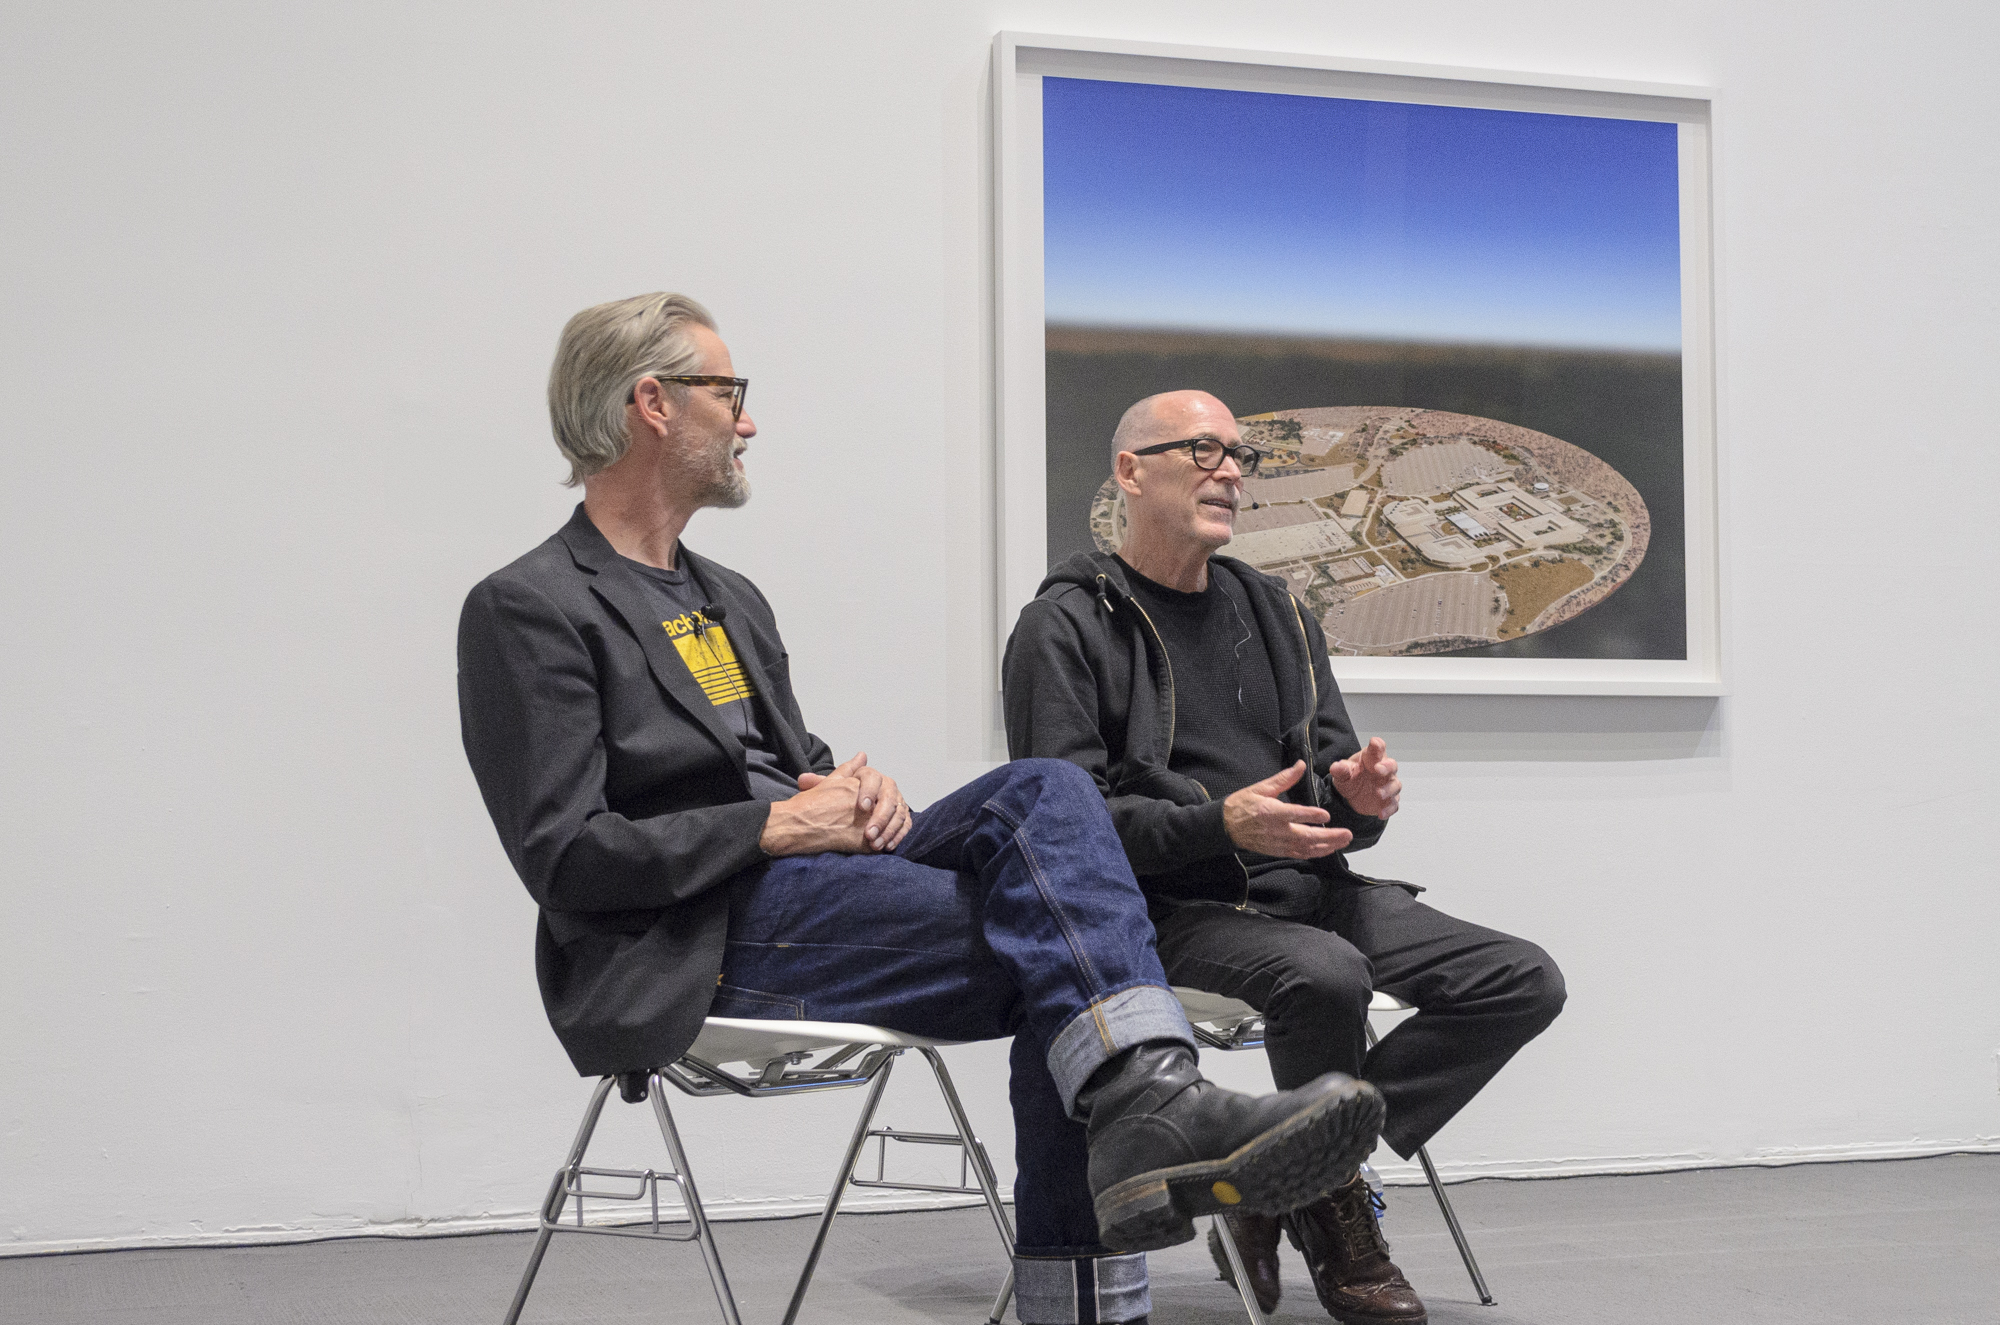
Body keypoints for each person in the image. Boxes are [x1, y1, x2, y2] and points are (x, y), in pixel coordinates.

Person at [457, 296, 1388, 1325]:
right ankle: (1134, 1164)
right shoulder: (532, 604)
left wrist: (845, 791)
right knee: (1066, 952)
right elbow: (565, 858)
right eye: (729, 395)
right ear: (651, 404)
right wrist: (773, 825)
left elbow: (786, 761)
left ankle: (1143, 1109)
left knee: (1048, 798)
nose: (748, 422)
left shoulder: (726, 596)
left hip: (814, 879)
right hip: (692, 931)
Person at [1002, 390, 1568, 1325]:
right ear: (1130, 471)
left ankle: (1275, 1174)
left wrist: (1358, 801)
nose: (1230, 470)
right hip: (1164, 912)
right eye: (1202, 449)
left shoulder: (1277, 612)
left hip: (1306, 891)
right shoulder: (1064, 626)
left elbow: (1327, 789)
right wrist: (1219, 826)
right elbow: (1061, 827)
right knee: (1327, 974)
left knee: (1520, 979)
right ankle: (1339, 1219)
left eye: (1240, 454)